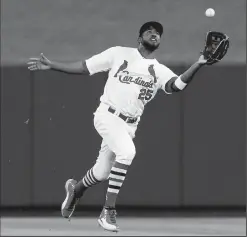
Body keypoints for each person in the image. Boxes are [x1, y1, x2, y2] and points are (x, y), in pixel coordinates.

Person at [27, 21, 207, 232]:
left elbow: (176, 86)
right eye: (149, 31)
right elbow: (85, 67)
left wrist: (199, 63)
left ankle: (76, 190)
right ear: (139, 38)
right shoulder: (119, 53)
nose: (154, 34)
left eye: (158, 33)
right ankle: (108, 210)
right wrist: (54, 65)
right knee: (127, 152)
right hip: (107, 115)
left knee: (102, 172)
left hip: (129, 126)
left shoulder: (158, 70)